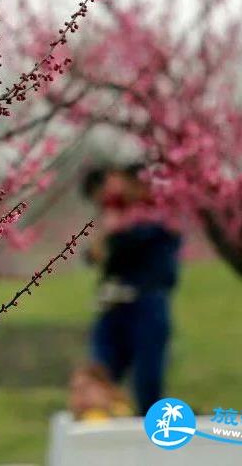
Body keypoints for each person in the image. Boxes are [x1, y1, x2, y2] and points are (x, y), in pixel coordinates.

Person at [82, 163, 182, 415]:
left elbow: (133, 243)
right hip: (113, 303)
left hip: (146, 302)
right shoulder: (115, 216)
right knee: (101, 373)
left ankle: (149, 429)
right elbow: (96, 253)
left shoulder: (158, 217)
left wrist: (109, 243)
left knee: (147, 379)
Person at [68, 362, 132, 422]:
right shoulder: (68, 421)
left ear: (105, 388)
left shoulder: (122, 414)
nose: (80, 394)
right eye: (75, 389)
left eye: (86, 387)